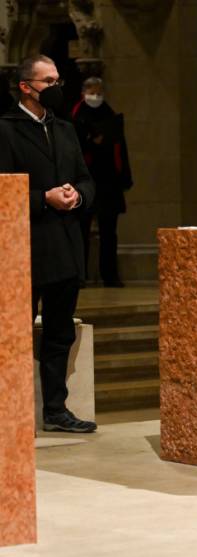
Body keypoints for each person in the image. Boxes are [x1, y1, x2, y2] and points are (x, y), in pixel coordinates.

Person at [0, 55, 96, 432]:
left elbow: (88, 180)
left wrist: (77, 195)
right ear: (26, 87)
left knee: (60, 332)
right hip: (23, 249)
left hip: (66, 246)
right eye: (48, 81)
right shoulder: (5, 129)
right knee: (15, 334)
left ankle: (55, 409)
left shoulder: (66, 130)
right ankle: (12, 410)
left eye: (58, 80)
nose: (57, 87)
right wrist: (44, 198)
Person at [71, 76, 132, 287]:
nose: (95, 96)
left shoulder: (110, 114)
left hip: (108, 182)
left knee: (109, 231)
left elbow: (120, 149)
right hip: (85, 181)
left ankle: (110, 274)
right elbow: (72, 149)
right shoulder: (76, 117)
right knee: (81, 230)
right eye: (92, 92)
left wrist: (125, 178)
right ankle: (80, 275)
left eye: (99, 92)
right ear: (83, 92)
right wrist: (90, 142)